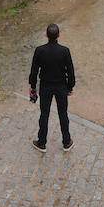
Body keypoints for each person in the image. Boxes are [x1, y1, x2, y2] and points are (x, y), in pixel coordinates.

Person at [28, 23, 75, 153]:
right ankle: (67, 142)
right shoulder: (65, 51)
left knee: (44, 114)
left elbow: (34, 71)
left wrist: (33, 87)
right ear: (58, 35)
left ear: (47, 35)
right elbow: (70, 70)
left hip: (45, 86)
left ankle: (42, 142)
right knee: (63, 114)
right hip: (61, 86)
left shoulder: (39, 50)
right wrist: (70, 86)